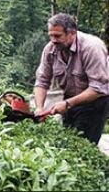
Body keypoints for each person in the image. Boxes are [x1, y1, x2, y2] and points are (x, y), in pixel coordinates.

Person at [34, 13, 109, 144]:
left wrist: (68, 104)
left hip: (95, 101)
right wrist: (39, 108)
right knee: (67, 140)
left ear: (72, 33)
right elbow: (42, 80)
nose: (53, 40)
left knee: (84, 143)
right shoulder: (50, 49)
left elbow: (98, 88)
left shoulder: (92, 48)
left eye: (57, 36)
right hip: (70, 98)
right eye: (51, 35)